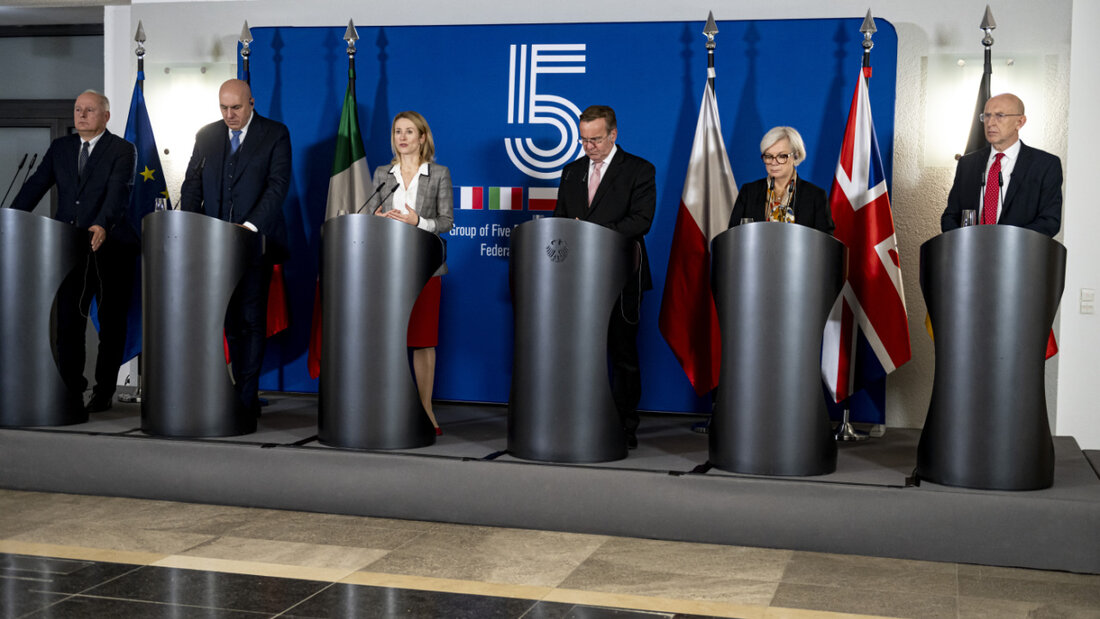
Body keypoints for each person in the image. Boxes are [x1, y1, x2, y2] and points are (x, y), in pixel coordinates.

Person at [10, 90, 137, 413]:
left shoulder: (122, 150)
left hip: (111, 249)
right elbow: (35, 185)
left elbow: (118, 192)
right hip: (68, 249)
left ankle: (104, 390)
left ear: (105, 116)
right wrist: (10, 220)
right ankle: (69, 387)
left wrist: (101, 224)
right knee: (68, 322)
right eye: (78, 110)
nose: (81, 115)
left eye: (89, 110)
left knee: (111, 324)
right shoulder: (61, 148)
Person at [180, 78, 290, 418]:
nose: (230, 115)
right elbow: (192, 183)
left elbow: (277, 186)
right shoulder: (207, 135)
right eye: (224, 108)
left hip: (254, 243)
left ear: (251, 102)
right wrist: (190, 223)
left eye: (236, 108)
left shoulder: (275, 134)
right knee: (226, 320)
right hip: (213, 246)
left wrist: (249, 227)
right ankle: (227, 390)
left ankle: (246, 395)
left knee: (250, 320)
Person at [554, 105, 656, 450]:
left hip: (622, 277)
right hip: (578, 281)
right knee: (580, 353)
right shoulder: (570, 172)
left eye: (595, 139)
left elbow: (641, 221)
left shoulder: (639, 170)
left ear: (614, 134)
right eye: (583, 140)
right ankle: (580, 420)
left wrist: (594, 234)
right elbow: (561, 221)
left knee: (623, 355)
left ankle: (624, 426)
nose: (588, 146)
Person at [369, 111, 454, 435]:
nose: (402, 137)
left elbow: (447, 221)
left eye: (409, 132)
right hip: (387, 269)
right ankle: (389, 408)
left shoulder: (439, 174)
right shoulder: (382, 173)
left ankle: (425, 410)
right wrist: (377, 218)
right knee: (389, 341)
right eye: (397, 132)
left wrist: (417, 221)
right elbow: (373, 213)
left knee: (422, 341)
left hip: (426, 269)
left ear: (422, 137)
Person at [942, 93, 1062, 237]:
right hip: (970, 254)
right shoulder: (967, 164)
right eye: (986, 116)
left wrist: (1005, 243)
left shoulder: (1045, 165)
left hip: (1019, 255)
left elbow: (1049, 222)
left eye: (999, 115)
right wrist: (965, 243)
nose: (990, 123)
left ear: (1020, 122)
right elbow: (950, 217)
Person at [728, 126, 834, 233]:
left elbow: (825, 243)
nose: (774, 162)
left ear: (796, 156)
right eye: (768, 156)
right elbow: (733, 236)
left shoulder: (816, 196)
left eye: (782, 156)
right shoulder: (748, 192)